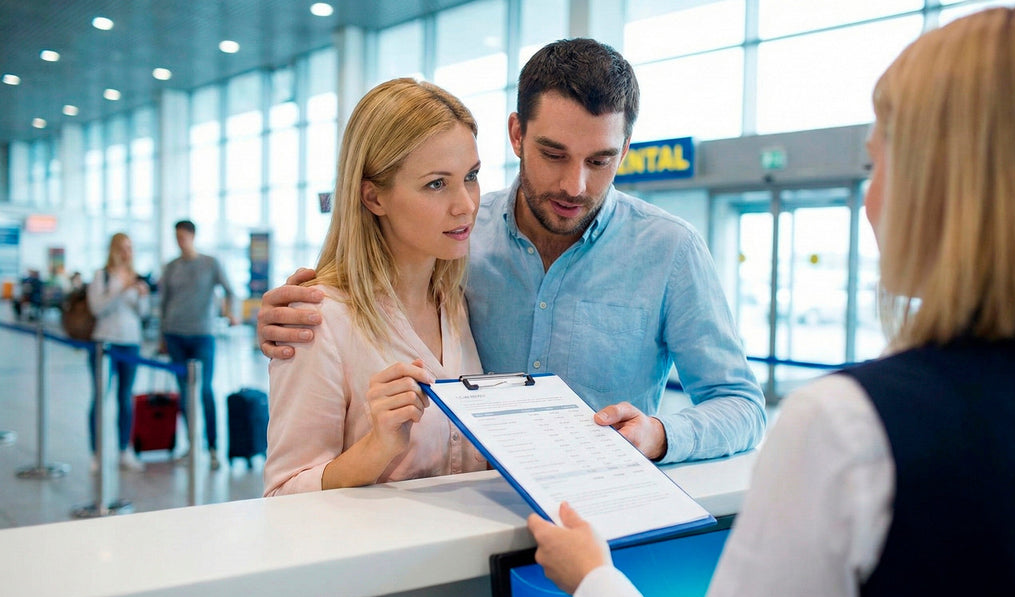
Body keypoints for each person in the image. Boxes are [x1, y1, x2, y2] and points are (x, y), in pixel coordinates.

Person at [526, 3, 1015, 597]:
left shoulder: (848, 428)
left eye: (878, 164)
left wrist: (592, 579)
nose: (870, 201)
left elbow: (737, 403)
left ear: (943, 189)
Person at [257, 38, 766, 464]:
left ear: (625, 150)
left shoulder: (669, 250)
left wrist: (658, 435)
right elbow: (367, 284)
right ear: (517, 134)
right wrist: (295, 314)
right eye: (553, 154)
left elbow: (741, 405)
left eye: (601, 160)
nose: (575, 184)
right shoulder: (458, 236)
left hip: (601, 522)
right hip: (476, 523)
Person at [263, 78, 486, 496]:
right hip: (377, 561)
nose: (466, 205)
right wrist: (376, 447)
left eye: (471, 176)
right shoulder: (319, 319)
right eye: (436, 184)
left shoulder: (456, 303)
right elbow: (281, 493)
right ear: (373, 197)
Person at [159, 219, 238, 470]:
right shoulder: (171, 267)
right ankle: (192, 444)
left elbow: (230, 291)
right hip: (174, 334)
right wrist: (162, 334)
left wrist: (230, 312)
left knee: (205, 391)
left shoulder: (210, 264)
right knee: (184, 393)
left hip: (202, 334)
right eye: (176, 238)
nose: (179, 242)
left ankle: (213, 447)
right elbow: (163, 302)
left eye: (183, 237)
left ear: (193, 236)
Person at [87, 233, 150, 472]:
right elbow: (97, 309)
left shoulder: (135, 277)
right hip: (105, 343)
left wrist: (142, 297)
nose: (127, 252)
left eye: (130, 247)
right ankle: (96, 453)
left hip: (130, 342)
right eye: (123, 248)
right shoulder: (101, 276)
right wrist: (121, 290)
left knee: (125, 398)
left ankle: (125, 449)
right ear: (114, 249)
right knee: (99, 398)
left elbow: (142, 314)